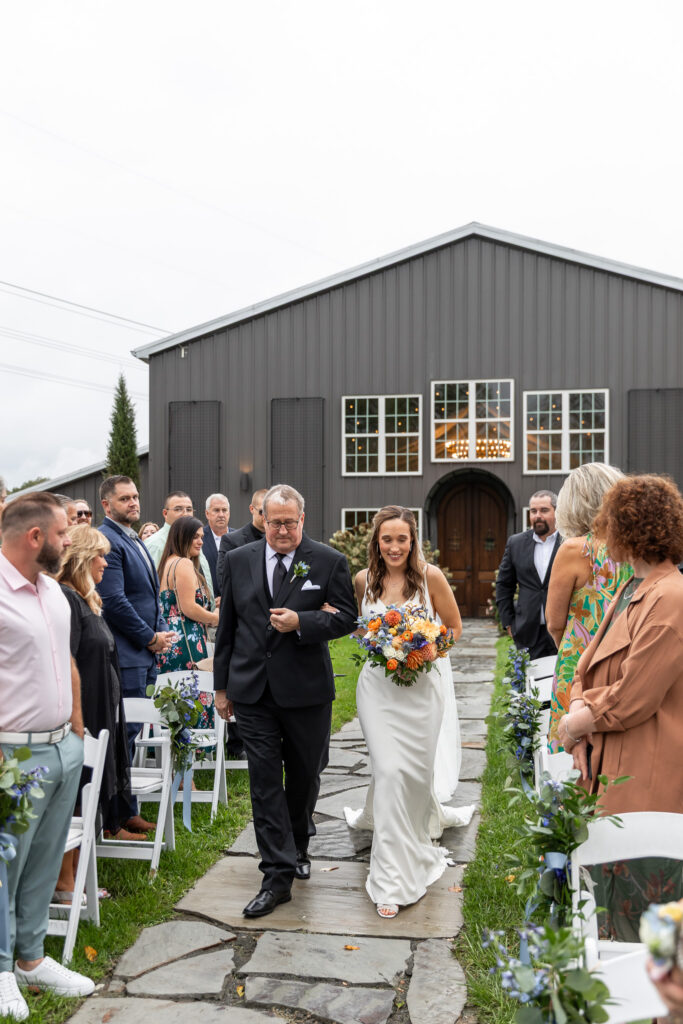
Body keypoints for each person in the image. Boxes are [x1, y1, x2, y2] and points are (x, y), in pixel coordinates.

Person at [213, 484, 356, 919]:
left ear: (302, 520)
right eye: (274, 522)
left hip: (306, 692)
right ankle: (276, 874)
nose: (281, 530)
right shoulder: (238, 560)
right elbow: (228, 629)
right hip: (252, 690)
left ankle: (298, 845)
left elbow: (348, 617)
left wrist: (303, 622)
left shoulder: (328, 560)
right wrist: (221, 688)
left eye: (289, 523)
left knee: (305, 777)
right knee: (263, 781)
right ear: (261, 518)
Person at [559, 474, 683, 941]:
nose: (600, 532)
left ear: (629, 528)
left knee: (648, 902)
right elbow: (584, 664)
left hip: (647, 767)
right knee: (613, 893)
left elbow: (636, 694)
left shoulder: (670, 596)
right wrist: (578, 711)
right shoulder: (632, 586)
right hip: (613, 758)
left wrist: (576, 723)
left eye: (607, 522)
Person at [342, 507, 474, 919]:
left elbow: (453, 627)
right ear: (376, 543)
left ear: (413, 541)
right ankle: (392, 876)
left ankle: (417, 826)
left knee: (413, 774)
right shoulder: (362, 581)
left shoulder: (430, 577)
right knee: (390, 769)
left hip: (423, 690)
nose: (395, 547)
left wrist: (425, 649)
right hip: (378, 690)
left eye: (402, 539)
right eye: (387, 539)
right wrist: (380, 643)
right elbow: (358, 629)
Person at [0, 492, 95, 1014]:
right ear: (35, 537)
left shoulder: (52, 592)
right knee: (3, 867)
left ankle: (31, 959)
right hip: (12, 756)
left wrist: (76, 731)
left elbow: (66, 659)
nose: (69, 541)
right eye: (62, 533)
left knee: (42, 863)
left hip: (61, 749)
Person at [56, 526, 141, 852]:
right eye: (99, 556)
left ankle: (81, 864)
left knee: (89, 786)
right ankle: (68, 877)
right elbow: (68, 660)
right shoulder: (66, 599)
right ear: (80, 560)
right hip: (85, 709)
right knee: (79, 788)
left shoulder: (84, 598)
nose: (105, 563)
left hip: (101, 705)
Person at [98, 476, 174, 833]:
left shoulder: (131, 538)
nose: (133, 503)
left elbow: (148, 595)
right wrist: (149, 638)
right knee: (121, 736)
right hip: (125, 653)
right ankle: (115, 818)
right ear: (106, 505)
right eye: (124, 498)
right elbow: (114, 601)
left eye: (135, 496)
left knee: (130, 735)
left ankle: (127, 810)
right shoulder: (108, 541)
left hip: (143, 653)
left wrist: (156, 636)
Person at [546, 463, 632, 752]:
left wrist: (573, 648)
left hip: (578, 662)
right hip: (627, 656)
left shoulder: (575, 549)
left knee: (570, 751)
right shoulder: (637, 547)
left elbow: (554, 622)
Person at [157, 517, 219, 729]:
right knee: (189, 695)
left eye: (202, 537)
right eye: (195, 537)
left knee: (172, 699)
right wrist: (216, 618)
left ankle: (173, 754)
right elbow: (188, 608)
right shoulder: (182, 563)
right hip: (186, 640)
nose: (200, 541)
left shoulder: (167, 563)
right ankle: (190, 753)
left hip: (169, 638)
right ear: (181, 537)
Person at [495, 490, 561, 659]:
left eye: (544, 510)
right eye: (533, 511)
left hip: (562, 628)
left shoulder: (568, 542)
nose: (537, 516)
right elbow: (504, 584)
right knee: (531, 683)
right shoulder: (516, 543)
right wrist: (508, 623)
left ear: (556, 511)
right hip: (526, 630)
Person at [144, 491, 215, 605]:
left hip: (205, 618)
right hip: (174, 619)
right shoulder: (155, 544)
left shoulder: (194, 539)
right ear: (165, 513)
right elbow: (149, 588)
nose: (185, 514)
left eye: (189, 509)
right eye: (178, 509)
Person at [217, 488, 268, 589]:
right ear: (252, 509)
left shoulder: (281, 540)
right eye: (262, 512)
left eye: (270, 512)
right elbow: (224, 581)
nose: (266, 516)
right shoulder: (231, 540)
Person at [202, 493, 232, 597]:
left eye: (224, 510)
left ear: (229, 513)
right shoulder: (197, 539)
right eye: (216, 510)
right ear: (207, 513)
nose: (221, 515)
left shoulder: (240, 539)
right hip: (208, 603)